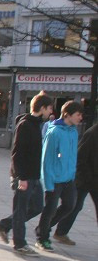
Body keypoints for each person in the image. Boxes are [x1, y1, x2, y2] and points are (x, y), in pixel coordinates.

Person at [0, 92, 54, 255]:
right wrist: (20, 177)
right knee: (21, 209)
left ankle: (6, 224)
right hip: (24, 177)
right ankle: (20, 243)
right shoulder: (26, 125)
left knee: (37, 207)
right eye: (49, 108)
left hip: (34, 175)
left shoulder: (37, 124)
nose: (51, 112)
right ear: (42, 108)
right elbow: (17, 153)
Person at [35, 101, 84, 252]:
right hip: (54, 179)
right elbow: (46, 160)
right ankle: (42, 238)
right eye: (78, 115)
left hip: (69, 178)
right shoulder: (54, 132)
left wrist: (73, 174)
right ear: (67, 114)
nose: (81, 118)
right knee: (50, 209)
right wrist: (48, 183)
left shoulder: (74, 132)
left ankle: (43, 227)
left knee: (70, 205)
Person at [53, 120, 98, 244]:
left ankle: (59, 232)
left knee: (74, 206)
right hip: (84, 179)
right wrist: (88, 175)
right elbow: (81, 156)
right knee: (74, 206)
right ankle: (57, 231)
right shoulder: (92, 133)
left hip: (94, 179)